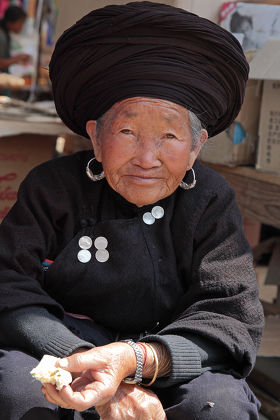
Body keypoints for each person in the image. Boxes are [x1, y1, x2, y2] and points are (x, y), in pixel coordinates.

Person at [0, 2, 264, 419]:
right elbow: (8, 285)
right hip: (66, 345)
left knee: (220, 407)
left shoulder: (211, 200)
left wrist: (138, 360)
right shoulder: (52, 188)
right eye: (127, 131)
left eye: (169, 135)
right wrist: (86, 363)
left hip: (172, 353)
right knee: (18, 392)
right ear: (95, 136)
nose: (147, 157)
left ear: (195, 147)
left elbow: (230, 316)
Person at [0, 5, 30, 72]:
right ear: (10, 22)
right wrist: (17, 59)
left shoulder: (5, 33)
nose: (21, 26)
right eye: (20, 22)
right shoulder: (1, 36)